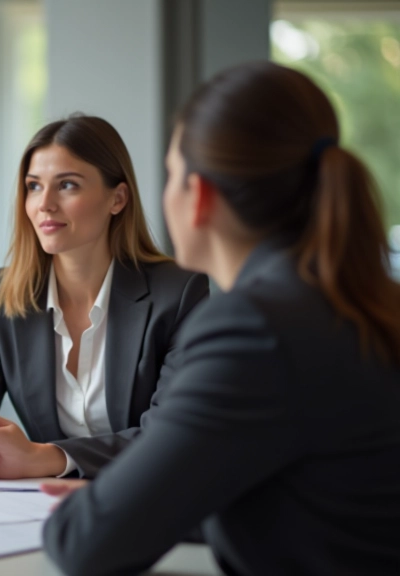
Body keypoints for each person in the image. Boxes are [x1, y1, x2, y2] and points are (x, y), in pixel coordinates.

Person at [42, 61, 400, 576]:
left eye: (169, 175)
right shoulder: (352, 299)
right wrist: (141, 500)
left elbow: (83, 545)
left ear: (200, 196)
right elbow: (305, 497)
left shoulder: (255, 327)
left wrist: (106, 506)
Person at [0, 115, 208, 480]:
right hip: (43, 507)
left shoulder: (179, 292)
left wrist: (46, 458)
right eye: (33, 186)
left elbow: (172, 435)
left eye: (68, 185)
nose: (44, 204)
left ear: (117, 199)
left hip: (152, 501)